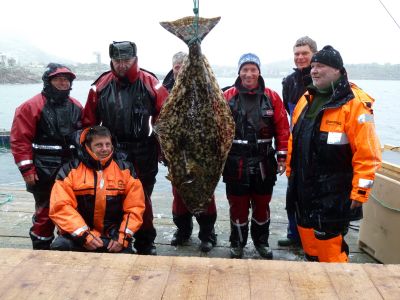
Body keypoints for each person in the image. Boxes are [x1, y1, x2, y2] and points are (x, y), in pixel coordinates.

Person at [286, 45, 382, 262]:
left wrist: (359, 192)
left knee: (330, 251)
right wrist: (291, 173)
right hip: (302, 190)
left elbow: (368, 154)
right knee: (309, 246)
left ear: (337, 69)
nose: (314, 71)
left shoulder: (355, 103)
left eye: (320, 66)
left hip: (333, 193)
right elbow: (295, 139)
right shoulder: (306, 98)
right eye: (313, 66)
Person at [82, 41, 168, 255]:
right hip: (111, 151)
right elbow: (88, 123)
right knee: (113, 197)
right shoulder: (100, 85)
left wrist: (163, 150)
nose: (121, 65)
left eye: (126, 61)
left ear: (135, 59)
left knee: (142, 199)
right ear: (112, 60)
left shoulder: (151, 83)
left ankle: (146, 241)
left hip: (144, 149)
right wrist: (88, 152)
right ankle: (119, 238)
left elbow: (165, 119)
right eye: (117, 61)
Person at [223, 53, 290, 259]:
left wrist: (281, 157)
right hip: (235, 161)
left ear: (259, 72)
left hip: (264, 161)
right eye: (245, 69)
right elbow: (215, 129)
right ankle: (237, 243)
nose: (249, 74)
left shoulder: (272, 97)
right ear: (239, 72)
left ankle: (261, 242)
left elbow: (282, 129)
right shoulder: (226, 97)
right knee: (238, 206)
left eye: (253, 69)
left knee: (262, 205)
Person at [10, 63, 82, 250]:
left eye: (66, 79)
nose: (63, 82)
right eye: (58, 79)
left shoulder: (76, 106)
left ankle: (65, 245)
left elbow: (84, 136)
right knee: (45, 211)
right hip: (42, 168)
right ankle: (40, 247)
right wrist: (27, 169)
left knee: (71, 207)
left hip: (71, 168)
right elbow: (19, 140)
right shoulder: (30, 106)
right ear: (48, 81)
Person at [49, 126, 145, 253]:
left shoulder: (126, 171)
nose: (104, 149)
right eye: (99, 145)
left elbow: (135, 208)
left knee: (126, 256)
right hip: (80, 237)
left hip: (113, 238)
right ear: (88, 147)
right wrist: (84, 236)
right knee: (59, 246)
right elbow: (60, 207)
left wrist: (122, 237)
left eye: (107, 144)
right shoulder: (69, 171)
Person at [162, 51, 217, 252]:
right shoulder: (164, 91)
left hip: (202, 153)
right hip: (177, 154)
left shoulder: (205, 89)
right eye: (177, 67)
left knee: (206, 195)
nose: (181, 70)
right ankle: (183, 231)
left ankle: (207, 234)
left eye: (185, 66)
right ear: (173, 69)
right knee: (179, 195)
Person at [279, 36, 318, 248]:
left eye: (305, 53)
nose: (300, 57)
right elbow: (289, 113)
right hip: (297, 146)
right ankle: (294, 234)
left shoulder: (322, 79)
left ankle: (312, 239)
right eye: (297, 54)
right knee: (292, 193)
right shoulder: (289, 82)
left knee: (314, 195)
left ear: (314, 54)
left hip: (318, 147)